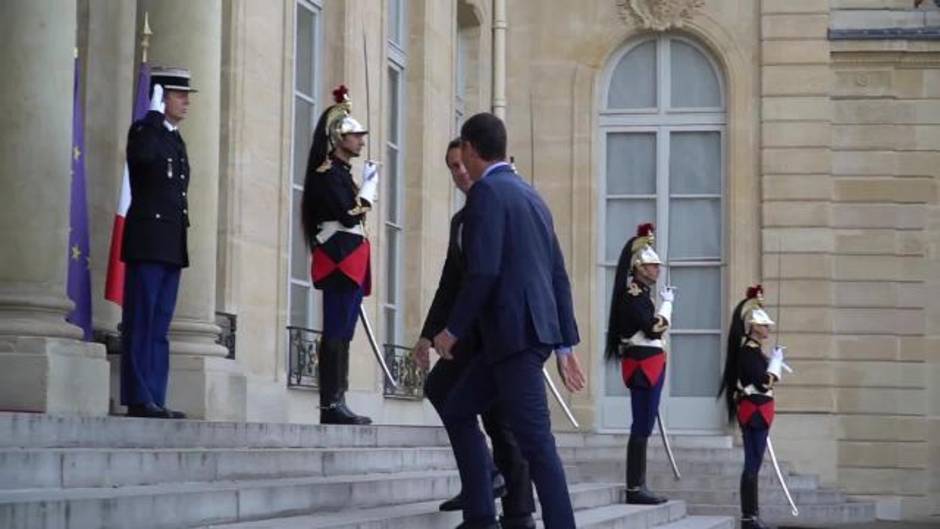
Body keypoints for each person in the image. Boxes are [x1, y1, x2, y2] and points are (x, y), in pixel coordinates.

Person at [432, 112, 586, 529]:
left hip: (513, 338)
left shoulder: (487, 195)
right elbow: (557, 273)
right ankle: (481, 515)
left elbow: (484, 272)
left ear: (471, 149)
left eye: (462, 150)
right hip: (521, 337)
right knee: (458, 407)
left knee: (537, 445)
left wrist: (451, 331)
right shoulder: (531, 195)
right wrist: (564, 344)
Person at [413, 139, 535, 528]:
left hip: (498, 334)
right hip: (471, 335)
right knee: (451, 396)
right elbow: (450, 284)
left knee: (501, 422)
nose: (459, 173)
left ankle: (511, 509)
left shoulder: (503, 205)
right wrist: (428, 334)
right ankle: (487, 489)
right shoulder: (460, 222)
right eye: (451, 167)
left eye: (462, 164)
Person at [120, 66, 198, 419]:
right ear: (160, 97)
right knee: (142, 319)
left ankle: (155, 394)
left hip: (169, 243)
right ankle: (139, 396)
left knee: (160, 325)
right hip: (148, 241)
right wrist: (151, 116)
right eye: (179, 95)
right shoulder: (145, 131)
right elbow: (141, 159)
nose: (185, 102)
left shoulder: (174, 139)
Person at [300, 85, 379, 425]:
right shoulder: (327, 174)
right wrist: (370, 187)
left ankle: (339, 398)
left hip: (350, 259)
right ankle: (331, 403)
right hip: (338, 261)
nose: (361, 140)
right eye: (355, 136)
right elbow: (349, 214)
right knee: (335, 330)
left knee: (344, 332)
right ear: (338, 138)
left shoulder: (341, 174)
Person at [605, 223, 675, 504]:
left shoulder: (641, 295)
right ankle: (635, 487)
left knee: (643, 424)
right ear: (639, 268)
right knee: (641, 425)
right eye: (652, 266)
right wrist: (668, 306)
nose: (657, 270)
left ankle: (638, 484)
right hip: (644, 364)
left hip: (648, 362)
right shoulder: (634, 296)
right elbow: (653, 329)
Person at [718, 285, 787, 529]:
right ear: (754, 326)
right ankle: (749, 517)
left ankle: (752, 515)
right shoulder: (749, 352)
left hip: (758, 410)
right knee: (752, 464)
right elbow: (764, 382)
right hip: (755, 411)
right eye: (764, 325)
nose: (768, 328)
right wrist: (776, 365)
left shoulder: (754, 351)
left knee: (754, 464)